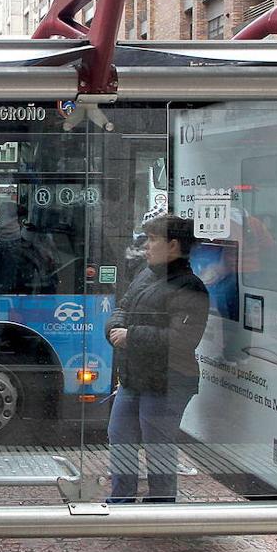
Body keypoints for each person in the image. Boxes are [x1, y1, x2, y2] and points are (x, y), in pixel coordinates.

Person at [104, 214, 210, 503]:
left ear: (173, 245)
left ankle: (161, 507)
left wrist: (131, 335)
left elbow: (181, 340)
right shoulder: (146, 273)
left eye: (153, 240)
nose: (146, 247)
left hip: (168, 380)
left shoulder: (190, 287)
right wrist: (114, 327)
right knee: (120, 436)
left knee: (158, 445)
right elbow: (122, 307)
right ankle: (121, 501)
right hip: (134, 377)